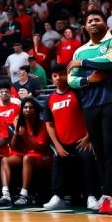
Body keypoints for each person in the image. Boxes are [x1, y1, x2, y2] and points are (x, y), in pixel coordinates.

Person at [68, 9, 112, 214]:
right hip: (90, 103)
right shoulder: (80, 50)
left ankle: (108, 197)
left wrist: (82, 64)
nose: (93, 23)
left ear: (105, 23)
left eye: (97, 19)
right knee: (99, 151)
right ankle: (111, 195)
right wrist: (88, 80)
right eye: (89, 21)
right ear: (85, 27)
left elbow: (110, 61)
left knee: (109, 147)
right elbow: (71, 79)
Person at [43, 64, 99, 211]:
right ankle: (57, 197)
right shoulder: (49, 99)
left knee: (88, 159)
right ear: (52, 79)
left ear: (68, 75)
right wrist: (57, 145)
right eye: (55, 76)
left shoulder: (78, 93)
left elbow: (89, 115)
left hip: (82, 141)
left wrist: (88, 136)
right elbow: (49, 125)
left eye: (61, 74)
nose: (58, 78)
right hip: (63, 144)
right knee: (57, 161)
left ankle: (92, 196)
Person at [0, 97, 52, 206]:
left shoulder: (42, 124)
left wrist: (26, 136)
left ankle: (24, 195)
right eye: (25, 107)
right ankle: (5, 194)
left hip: (43, 156)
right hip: (24, 154)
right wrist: (16, 134)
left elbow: (39, 149)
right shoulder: (20, 123)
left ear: (35, 110)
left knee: (27, 158)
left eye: (30, 107)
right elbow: (14, 147)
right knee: (5, 160)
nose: (27, 109)